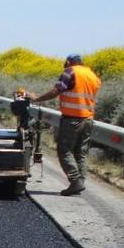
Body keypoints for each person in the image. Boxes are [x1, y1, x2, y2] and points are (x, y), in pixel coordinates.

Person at [24, 54, 102, 196]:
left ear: (68, 62)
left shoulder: (70, 71)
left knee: (64, 150)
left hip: (72, 119)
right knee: (81, 152)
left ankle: (75, 180)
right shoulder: (92, 75)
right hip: (88, 119)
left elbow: (56, 91)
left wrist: (36, 99)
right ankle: (80, 183)